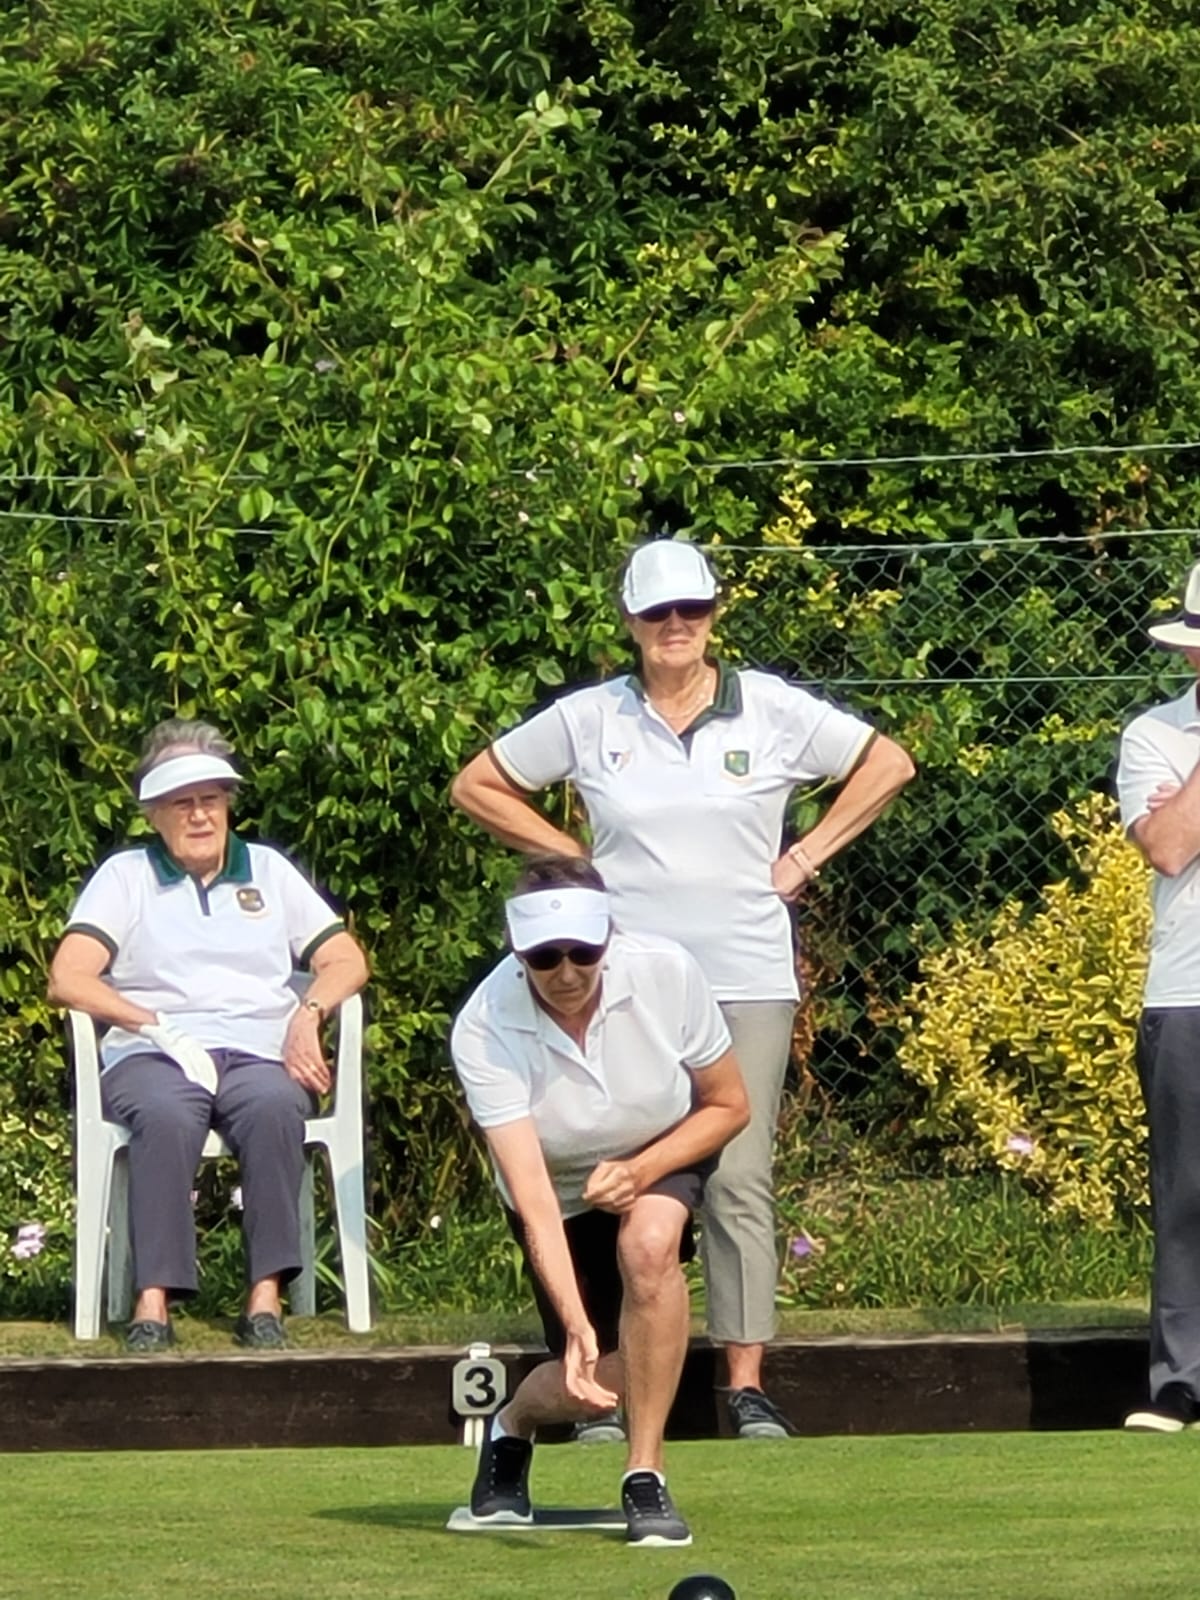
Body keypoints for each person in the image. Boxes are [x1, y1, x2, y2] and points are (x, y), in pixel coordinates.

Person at [451, 536, 915, 1437]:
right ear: (630, 620)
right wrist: (573, 862)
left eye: (691, 610)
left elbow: (887, 763)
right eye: (658, 612)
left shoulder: (771, 709)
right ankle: (597, 1380)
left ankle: (743, 1384)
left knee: (739, 1173)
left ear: (713, 614)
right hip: (618, 978)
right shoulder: (593, 719)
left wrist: (807, 854)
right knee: (596, 1173)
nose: (676, 627)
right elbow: (479, 785)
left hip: (743, 971)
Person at [451, 855, 749, 1546]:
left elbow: (729, 1104)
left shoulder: (667, 973)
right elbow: (530, 1195)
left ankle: (644, 1474)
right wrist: (577, 1324)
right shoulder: (484, 1026)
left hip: (662, 1147)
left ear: (608, 940)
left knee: (648, 1248)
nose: (565, 973)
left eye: (582, 952)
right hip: (556, 1192)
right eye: (544, 957)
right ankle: (514, 1424)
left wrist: (643, 1169)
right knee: (596, 1374)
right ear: (518, 953)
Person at [48, 719, 369, 1351]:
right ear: (153, 813)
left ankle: (264, 1299)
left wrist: (307, 1016)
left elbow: (346, 960)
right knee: (167, 1113)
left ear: (227, 803)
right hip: (152, 1052)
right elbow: (69, 977)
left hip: (258, 1049)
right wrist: (154, 1026)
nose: (199, 815)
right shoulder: (126, 877)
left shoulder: (270, 872)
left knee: (277, 1106)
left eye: (211, 799)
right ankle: (153, 1301)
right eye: (181, 802)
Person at [1117, 559, 1200, 1431]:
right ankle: (1182, 1381)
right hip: (1189, 990)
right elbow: (1172, 846)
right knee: (1186, 1195)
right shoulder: (1155, 736)